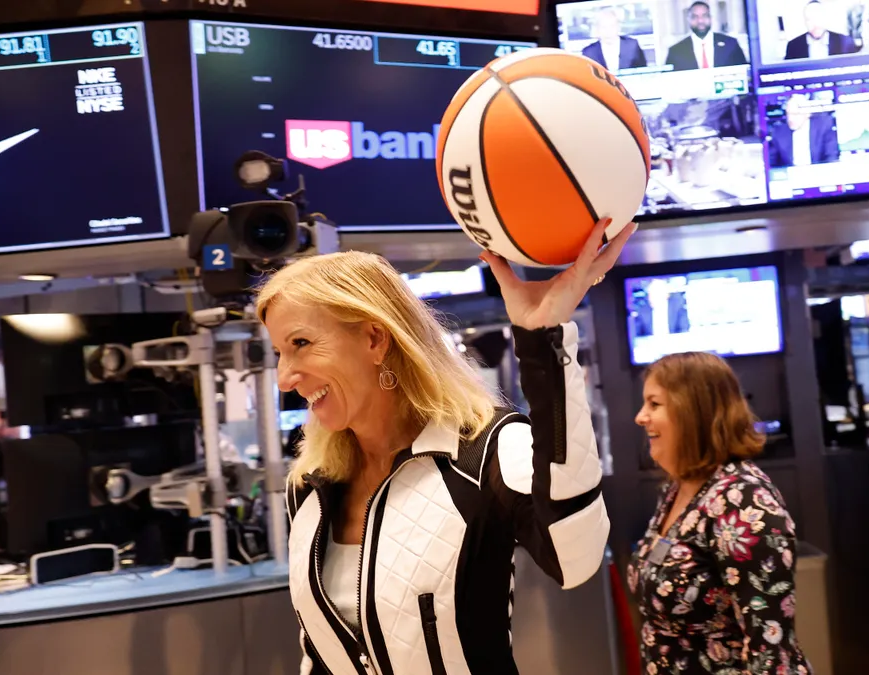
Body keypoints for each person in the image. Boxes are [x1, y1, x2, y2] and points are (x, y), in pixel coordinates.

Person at [262, 218, 635, 675]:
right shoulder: (311, 485)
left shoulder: (486, 449)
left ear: (374, 338)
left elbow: (576, 558)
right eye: (280, 351)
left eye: (301, 343)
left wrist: (545, 344)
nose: (285, 376)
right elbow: (317, 654)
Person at [629, 352, 811, 674]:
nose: (640, 417)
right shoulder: (679, 489)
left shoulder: (744, 502)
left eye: (654, 404)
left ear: (692, 411)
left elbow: (771, 650)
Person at [666, 1, 748, 71]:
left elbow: (744, 73)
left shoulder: (731, 44)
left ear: (710, 18)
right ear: (689, 19)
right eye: (695, 17)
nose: (700, 21)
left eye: (704, 16)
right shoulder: (676, 51)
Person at [768, 94, 840, 169]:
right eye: (788, 114)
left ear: (807, 113)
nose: (790, 119)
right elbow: (772, 163)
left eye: (795, 114)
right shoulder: (778, 132)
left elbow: (831, 157)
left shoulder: (823, 126)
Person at [784, 0, 859, 61]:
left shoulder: (845, 42)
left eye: (818, 18)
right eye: (809, 19)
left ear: (825, 18)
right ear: (805, 22)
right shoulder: (793, 46)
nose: (815, 24)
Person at [581, 6, 648, 72]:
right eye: (604, 27)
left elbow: (644, 72)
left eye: (612, 26)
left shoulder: (632, 46)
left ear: (618, 27)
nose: (608, 31)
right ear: (597, 29)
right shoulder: (589, 53)